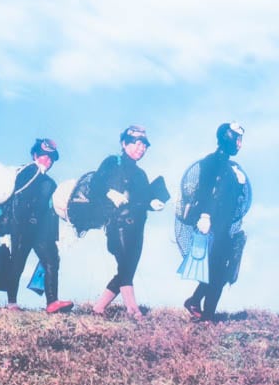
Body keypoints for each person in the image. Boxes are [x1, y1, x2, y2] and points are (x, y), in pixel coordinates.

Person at [89, 125, 164, 318]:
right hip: (117, 224)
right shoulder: (112, 162)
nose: (141, 148)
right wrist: (109, 193)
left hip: (138, 227)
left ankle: (98, 308)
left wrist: (153, 202)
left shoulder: (141, 174)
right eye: (136, 143)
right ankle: (133, 309)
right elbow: (94, 185)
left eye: (144, 145)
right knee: (126, 266)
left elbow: (144, 199)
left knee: (127, 269)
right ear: (124, 143)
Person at [180, 122, 251, 323]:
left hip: (224, 225)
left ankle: (196, 302)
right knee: (217, 270)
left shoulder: (231, 167)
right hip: (211, 223)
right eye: (237, 140)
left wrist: (238, 182)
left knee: (220, 269)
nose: (240, 145)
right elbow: (204, 190)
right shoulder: (211, 161)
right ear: (228, 139)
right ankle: (207, 314)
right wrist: (205, 215)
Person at [3, 139, 73, 313]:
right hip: (21, 225)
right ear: (35, 155)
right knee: (17, 262)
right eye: (44, 156)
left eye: (51, 158)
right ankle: (11, 303)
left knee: (52, 260)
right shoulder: (25, 171)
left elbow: (51, 210)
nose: (47, 160)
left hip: (42, 230)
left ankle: (52, 302)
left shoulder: (50, 182)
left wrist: (55, 235)